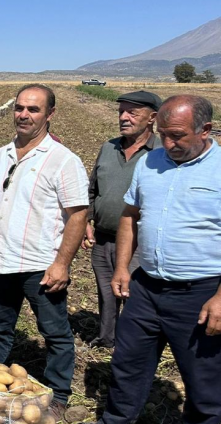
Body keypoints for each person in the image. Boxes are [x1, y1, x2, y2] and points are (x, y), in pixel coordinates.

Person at [89, 95, 221, 424]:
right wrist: (121, 267)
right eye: (163, 134)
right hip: (146, 288)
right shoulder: (151, 162)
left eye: (178, 135)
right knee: (126, 368)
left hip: (200, 293)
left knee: (205, 387)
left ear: (205, 129)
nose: (168, 142)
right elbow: (129, 216)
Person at [0, 84, 88, 418]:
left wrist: (62, 263)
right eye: (20, 107)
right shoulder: (0, 155)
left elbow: (78, 214)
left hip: (40, 265)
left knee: (55, 332)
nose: (24, 115)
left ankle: (59, 395)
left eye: (34, 109)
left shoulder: (63, 160)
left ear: (50, 114)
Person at [81, 90, 161, 349]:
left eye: (132, 113)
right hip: (104, 237)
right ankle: (106, 340)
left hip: (141, 241)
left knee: (134, 295)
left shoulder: (162, 153)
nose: (124, 118)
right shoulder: (109, 147)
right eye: (120, 112)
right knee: (106, 292)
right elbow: (93, 189)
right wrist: (87, 220)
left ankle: (133, 346)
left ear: (152, 118)